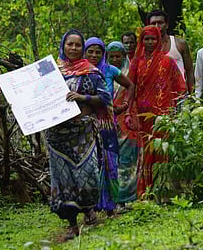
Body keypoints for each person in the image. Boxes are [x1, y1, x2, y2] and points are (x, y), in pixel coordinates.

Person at [46, 29, 110, 240]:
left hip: (83, 133)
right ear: (63, 46)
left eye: (77, 45)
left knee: (88, 175)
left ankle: (89, 210)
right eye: (69, 45)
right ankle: (72, 224)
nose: (73, 48)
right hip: (57, 136)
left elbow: (104, 98)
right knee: (63, 182)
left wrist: (82, 97)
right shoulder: (51, 73)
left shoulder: (90, 72)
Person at [127, 26, 187, 197]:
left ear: (159, 40)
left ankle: (165, 190)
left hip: (163, 113)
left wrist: (175, 108)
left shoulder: (168, 62)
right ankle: (146, 190)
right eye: (147, 39)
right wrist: (129, 110)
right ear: (142, 41)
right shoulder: (136, 63)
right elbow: (130, 87)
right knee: (146, 150)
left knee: (162, 150)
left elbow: (179, 86)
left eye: (153, 39)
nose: (150, 42)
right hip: (143, 114)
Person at [84, 37, 133, 216]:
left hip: (107, 123)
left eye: (98, 52)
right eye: (90, 51)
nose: (94, 55)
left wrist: (124, 106)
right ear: (85, 52)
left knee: (111, 162)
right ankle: (93, 205)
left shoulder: (109, 70)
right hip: (86, 124)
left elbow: (130, 85)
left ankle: (112, 204)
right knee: (92, 163)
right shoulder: (79, 71)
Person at [106, 41, 138, 209]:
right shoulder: (103, 73)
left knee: (128, 160)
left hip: (127, 121)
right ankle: (115, 198)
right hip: (108, 123)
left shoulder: (131, 72)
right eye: (111, 56)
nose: (115, 59)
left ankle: (129, 196)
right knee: (112, 161)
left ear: (124, 56)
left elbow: (133, 92)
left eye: (118, 56)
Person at [145, 10, 194, 94]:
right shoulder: (145, 48)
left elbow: (189, 71)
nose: (157, 26)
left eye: (160, 23)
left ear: (167, 25)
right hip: (155, 96)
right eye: (153, 23)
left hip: (179, 95)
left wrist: (192, 95)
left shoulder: (179, 44)